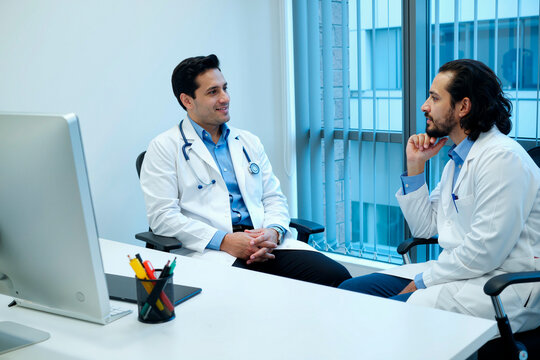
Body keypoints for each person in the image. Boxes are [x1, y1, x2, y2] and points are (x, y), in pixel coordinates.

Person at [339, 59, 540, 333]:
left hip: (500, 288)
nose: (424, 106)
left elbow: (484, 253)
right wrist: (416, 165)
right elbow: (426, 228)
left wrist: (423, 281)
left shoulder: (502, 159)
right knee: (347, 293)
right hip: (460, 275)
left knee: (382, 321)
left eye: (434, 98)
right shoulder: (455, 162)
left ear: (463, 107)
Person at [140, 54, 351, 287]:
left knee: (337, 277)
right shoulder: (164, 147)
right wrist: (225, 241)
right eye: (213, 92)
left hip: (265, 242)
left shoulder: (248, 141)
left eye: (225, 88)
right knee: (254, 293)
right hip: (214, 251)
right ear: (187, 100)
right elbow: (162, 217)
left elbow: (273, 197)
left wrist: (274, 231)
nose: (225, 98)